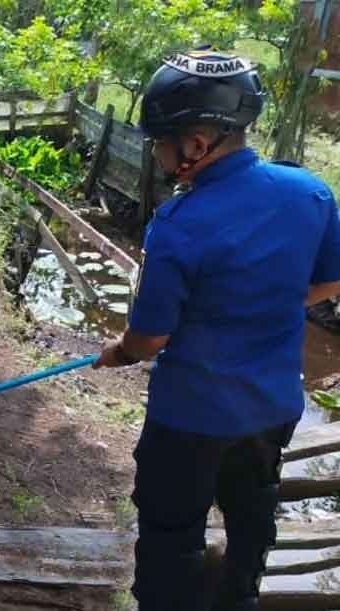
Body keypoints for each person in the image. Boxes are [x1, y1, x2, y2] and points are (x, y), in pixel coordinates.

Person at [93, 50, 340, 610]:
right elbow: (330, 280)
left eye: (161, 141)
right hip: (270, 409)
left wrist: (118, 352)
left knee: (171, 536)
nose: (157, 152)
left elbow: (150, 338)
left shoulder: (179, 226)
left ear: (197, 145)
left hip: (190, 418)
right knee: (250, 523)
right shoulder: (310, 193)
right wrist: (265, 303)